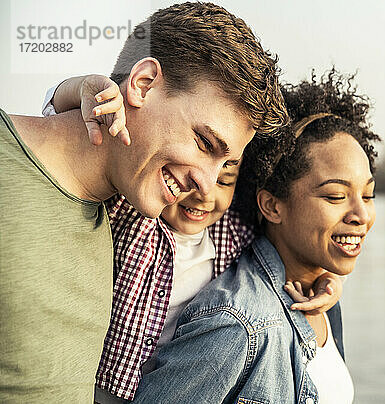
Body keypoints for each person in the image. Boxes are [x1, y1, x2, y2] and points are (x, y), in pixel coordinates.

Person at [0, 2, 287, 402]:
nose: (206, 185)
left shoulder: (127, 209)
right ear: (143, 84)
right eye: (204, 143)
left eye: (226, 165)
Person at [40, 73, 341, 403]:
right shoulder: (134, 214)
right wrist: (82, 89)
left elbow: (286, 246)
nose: (204, 192)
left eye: (225, 181)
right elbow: (60, 122)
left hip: (172, 384)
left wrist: (325, 279)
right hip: (92, 390)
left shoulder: (232, 229)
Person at [132, 71, 380, 404]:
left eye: (368, 195)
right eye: (335, 196)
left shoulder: (321, 295)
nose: (361, 215)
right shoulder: (236, 324)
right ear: (272, 206)